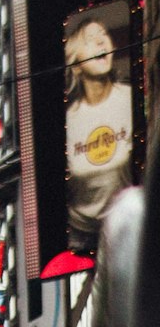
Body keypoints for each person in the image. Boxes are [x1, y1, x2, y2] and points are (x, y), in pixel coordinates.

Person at [64, 15, 136, 254]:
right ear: (76, 64)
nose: (101, 44)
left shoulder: (129, 98)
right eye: (90, 40)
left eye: (103, 36)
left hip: (132, 228)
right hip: (84, 241)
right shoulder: (70, 120)